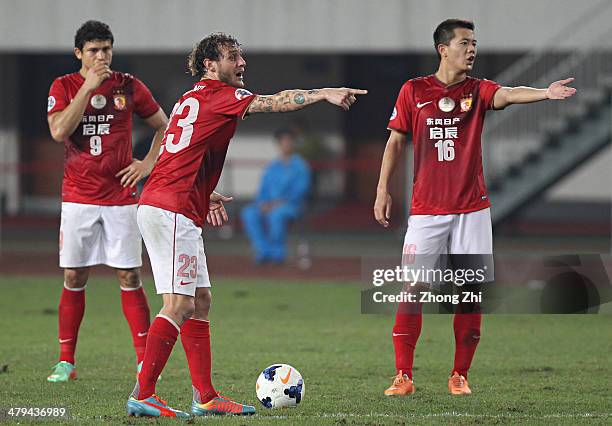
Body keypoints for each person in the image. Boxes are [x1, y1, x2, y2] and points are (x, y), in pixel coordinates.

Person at [127, 32, 366, 418]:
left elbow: (180, 154)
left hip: (174, 203)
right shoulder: (220, 96)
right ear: (210, 65)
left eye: (242, 57)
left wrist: (203, 192)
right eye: (233, 57)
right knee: (179, 303)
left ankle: (204, 396)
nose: (242, 64)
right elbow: (274, 102)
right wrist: (323, 92)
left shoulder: (191, 98)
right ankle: (143, 393)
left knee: (200, 301)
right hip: (169, 208)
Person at [374, 19, 575, 396]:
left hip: (472, 211)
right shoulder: (413, 91)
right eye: (465, 43)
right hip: (426, 211)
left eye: (475, 43)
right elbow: (395, 142)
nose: (472, 50)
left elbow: (509, 94)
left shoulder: (477, 90)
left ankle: (459, 375)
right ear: (443, 49)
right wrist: (383, 189)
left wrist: (545, 93)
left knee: (469, 291)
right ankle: (403, 376)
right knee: (412, 287)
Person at [46, 20, 168, 382]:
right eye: (94, 50)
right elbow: (58, 131)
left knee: (130, 275)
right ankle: (66, 362)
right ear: (78, 54)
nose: (101, 56)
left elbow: (163, 124)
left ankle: (144, 362)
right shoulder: (65, 86)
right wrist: (87, 87)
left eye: (106, 49)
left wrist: (146, 164)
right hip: (78, 197)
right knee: (73, 274)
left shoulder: (129, 86)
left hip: (121, 197)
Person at [241, 128, 311, 264]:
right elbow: (263, 190)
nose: (286, 144)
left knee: (276, 215)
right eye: (283, 142)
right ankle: (263, 251)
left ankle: (278, 253)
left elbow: (301, 190)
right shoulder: (272, 167)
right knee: (249, 213)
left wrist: (276, 204)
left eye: (288, 142)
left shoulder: (300, 166)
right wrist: (262, 204)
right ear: (278, 144)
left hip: (291, 206)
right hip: (269, 205)